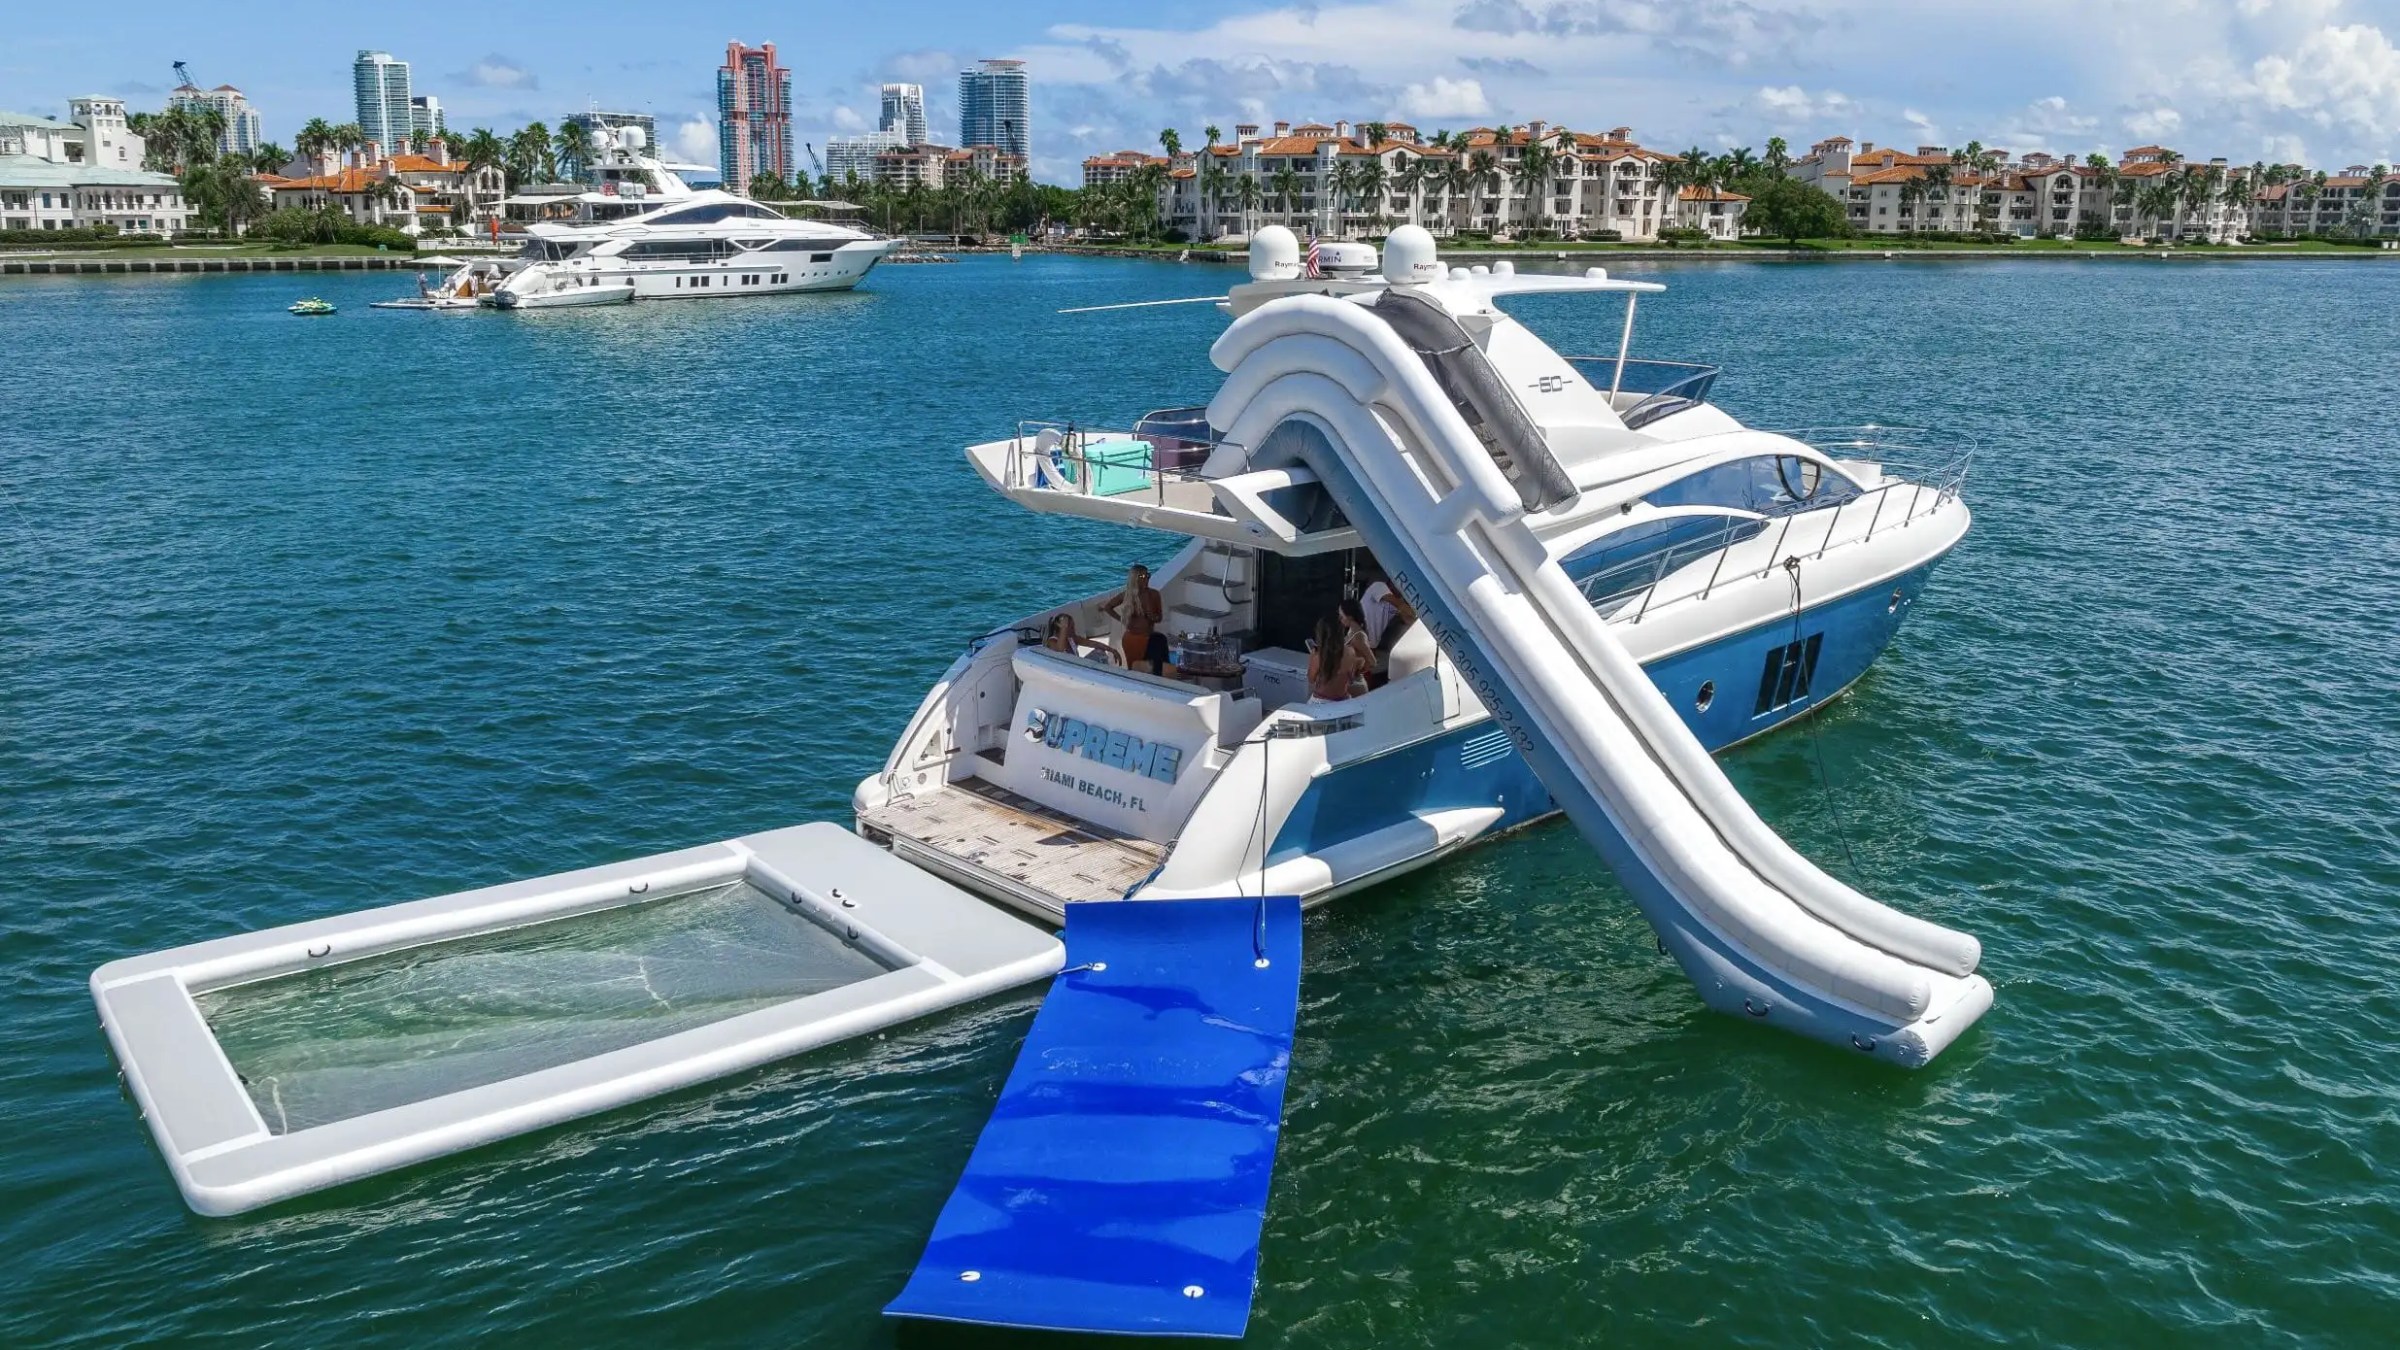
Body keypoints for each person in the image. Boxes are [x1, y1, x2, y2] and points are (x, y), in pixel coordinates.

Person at [1099, 563, 1172, 676]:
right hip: (1132, 638)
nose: (1147, 578)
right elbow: (1108, 607)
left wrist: (1149, 612)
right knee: (1134, 670)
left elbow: (1158, 618)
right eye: (1143, 576)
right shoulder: (1128, 595)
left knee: (1152, 670)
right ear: (1135, 578)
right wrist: (1122, 620)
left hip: (1149, 638)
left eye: (1148, 575)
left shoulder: (1154, 594)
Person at [1357, 571, 1417, 689]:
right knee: (1357, 675)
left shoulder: (1398, 601)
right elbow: (1401, 606)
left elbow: (1408, 620)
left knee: (1365, 676)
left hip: (1371, 644)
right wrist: (1416, 613)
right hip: (1358, 637)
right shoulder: (1379, 587)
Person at [1307, 612, 1363, 702]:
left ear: (1321, 634)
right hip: (1343, 701)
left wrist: (1312, 658)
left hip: (1320, 702)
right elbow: (1351, 678)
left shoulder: (1317, 655)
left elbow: (1311, 679)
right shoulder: (1350, 652)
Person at [1337, 598, 1375, 698]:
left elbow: (1372, 662)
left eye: (1342, 616)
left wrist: (1356, 671)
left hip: (1356, 686)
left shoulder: (1358, 636)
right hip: (1350, 684)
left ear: (1350, 617)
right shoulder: (1351, 632)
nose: (1340, 619)